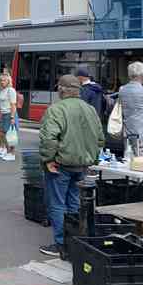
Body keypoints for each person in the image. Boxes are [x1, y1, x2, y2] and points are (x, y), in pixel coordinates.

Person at [38, 75, 105, 257]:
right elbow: (99, 138)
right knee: (74, 202)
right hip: (83, 164)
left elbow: (49, 138)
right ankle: (75, 240)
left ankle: (61, 244)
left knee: (57, 204)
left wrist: (48, 159)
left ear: (61, 89)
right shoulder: (90, 109)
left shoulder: (56, 109)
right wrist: (92, 158)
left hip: (61, 164)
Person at [118, 61, 143, 156]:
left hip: (128, 134)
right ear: (142, 75)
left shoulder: (122, 91)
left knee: (129, 162)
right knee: (142, 166)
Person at [0, 74, 18, 162]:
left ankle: (12, 154)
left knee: (10, 135)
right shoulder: (2, 90)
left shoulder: (11, 90)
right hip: (3, 114)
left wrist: (12, 117)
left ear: (8, 81)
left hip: (9, 114)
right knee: (4, 134)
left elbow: (13, 105)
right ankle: (8, 151)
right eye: (1, 80)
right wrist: (0, 114)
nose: (2, 82)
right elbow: (1, 104)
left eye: (4, 80)